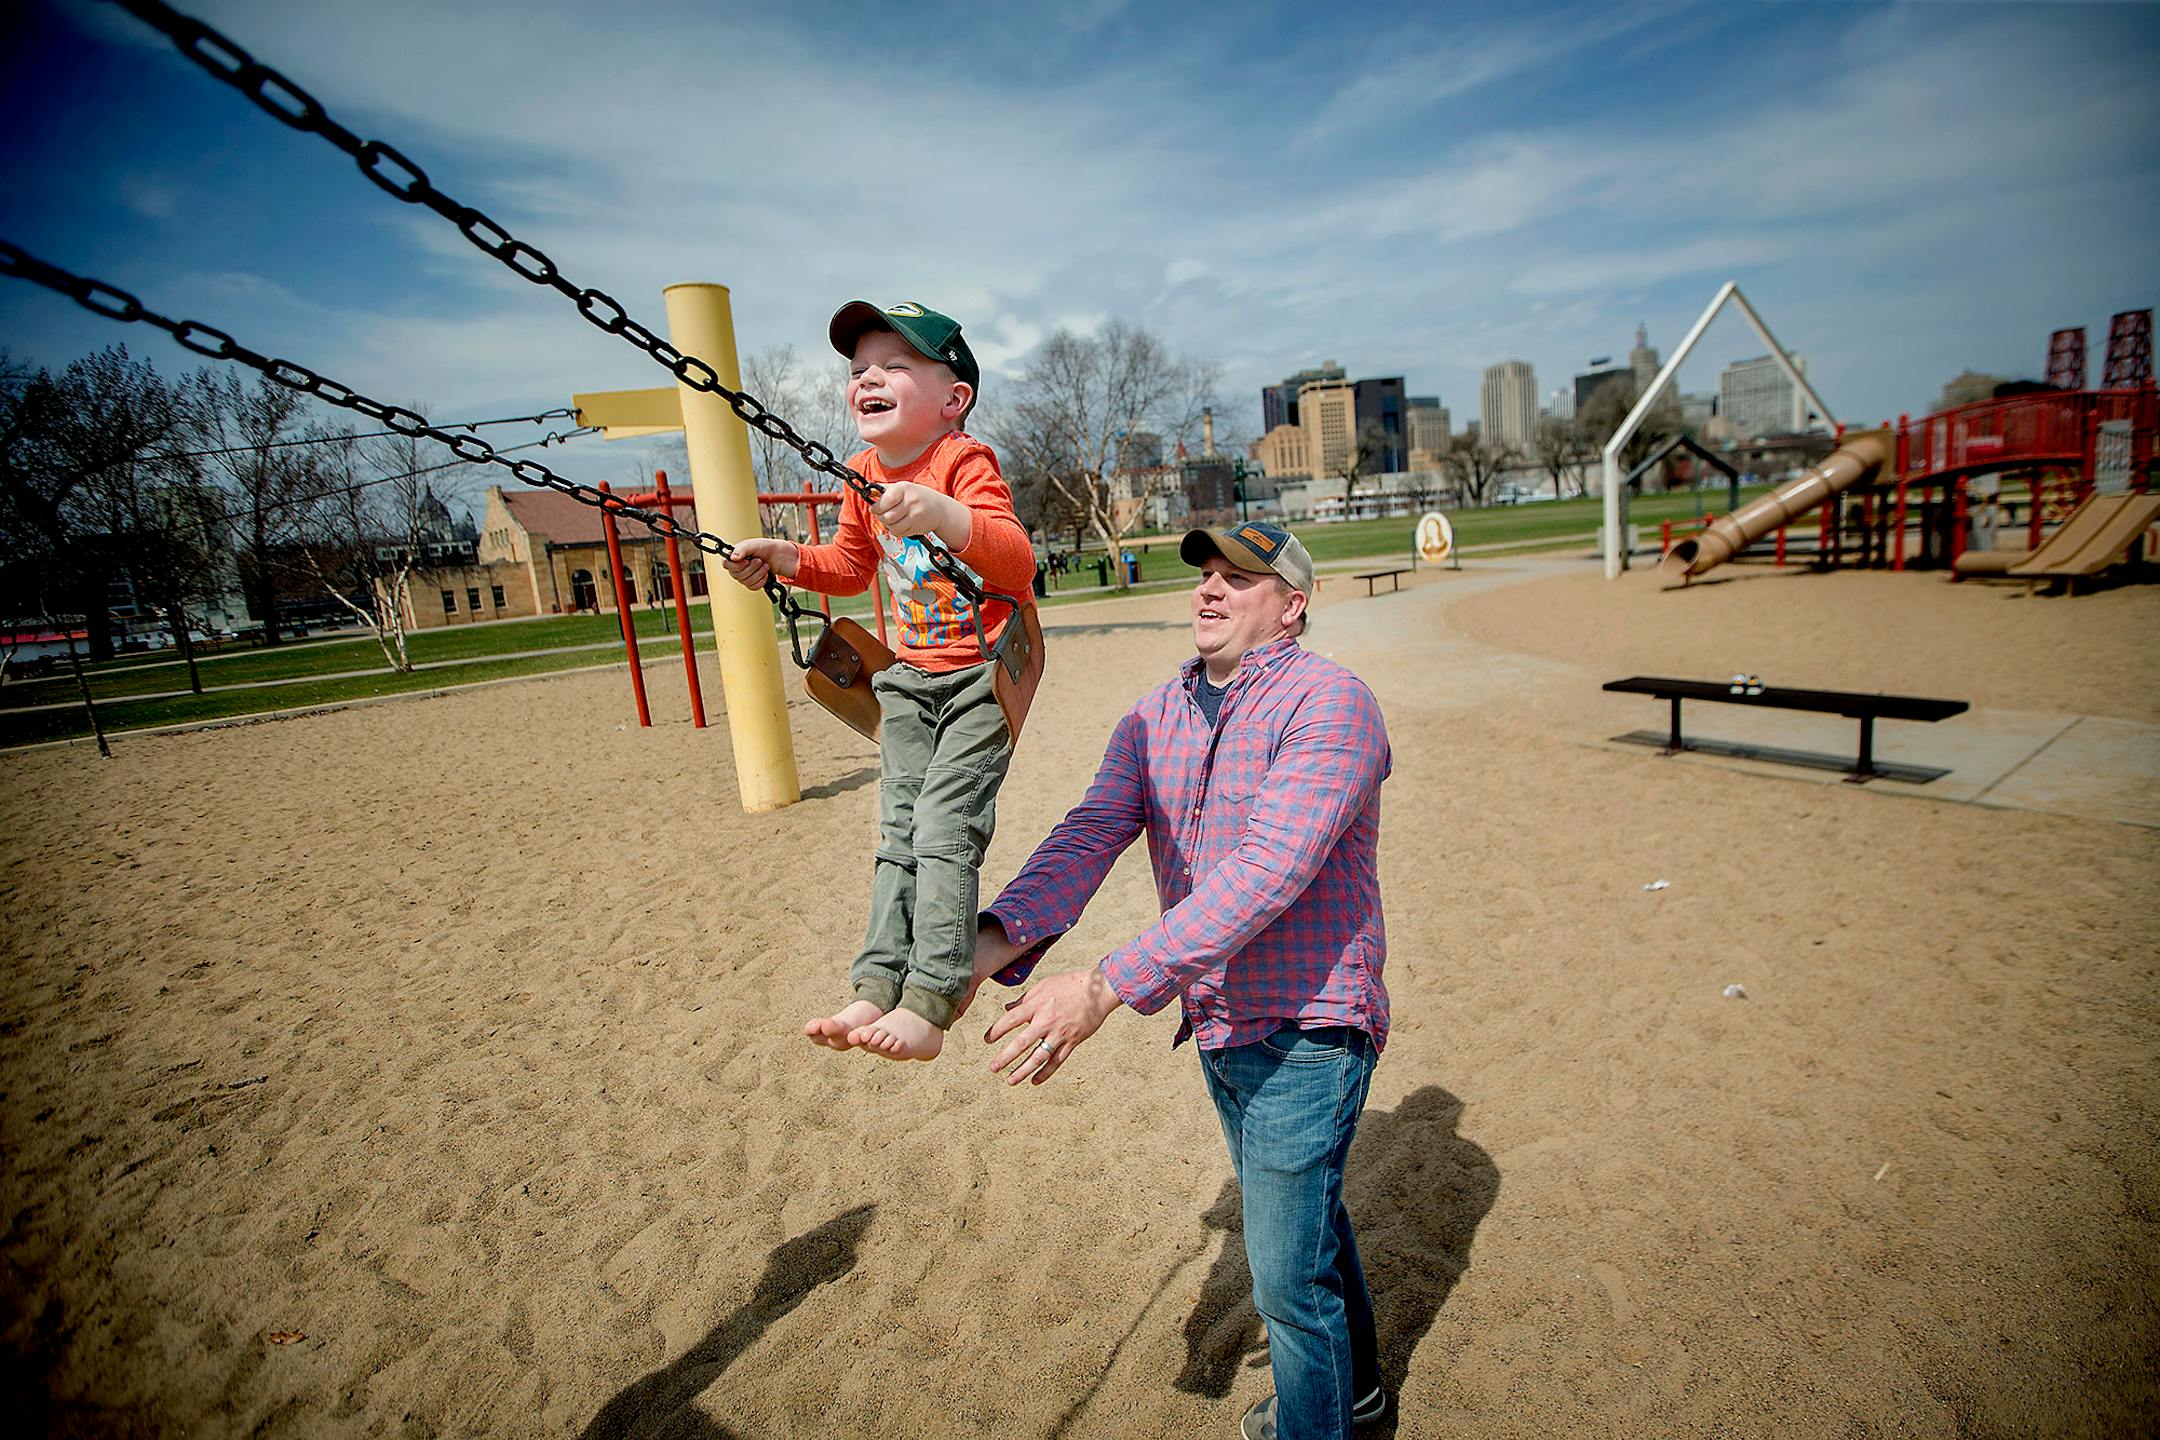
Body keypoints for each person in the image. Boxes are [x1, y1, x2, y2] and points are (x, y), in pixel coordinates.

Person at [971, 521, 1393, 1440]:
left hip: (1312, 1020)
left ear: (1293, 605)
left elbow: (1268, 871)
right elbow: (1090, 832)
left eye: (1240, 578)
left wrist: (1106, 984)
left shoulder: (1331, 704)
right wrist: (990, 943)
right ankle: (1359, 1392)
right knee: (1306, 1227)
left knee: (1284, 1279)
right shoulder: (1154, 716)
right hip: (1221, 1019)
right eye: (1205, 573)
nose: (1209, 589)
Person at [724, 300, 1036, 1062]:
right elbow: (851, 567)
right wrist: (787, 557)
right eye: (859, 368)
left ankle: (930, 1001)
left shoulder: (963, 461)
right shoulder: (861, 475)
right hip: (906, 681)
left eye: (895, 365)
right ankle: (876, 982)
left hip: (979, 677)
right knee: (897, 832)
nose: (869, 378)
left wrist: (943, 513)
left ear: (951, 398)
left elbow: (1015, 560)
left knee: (943, 828)